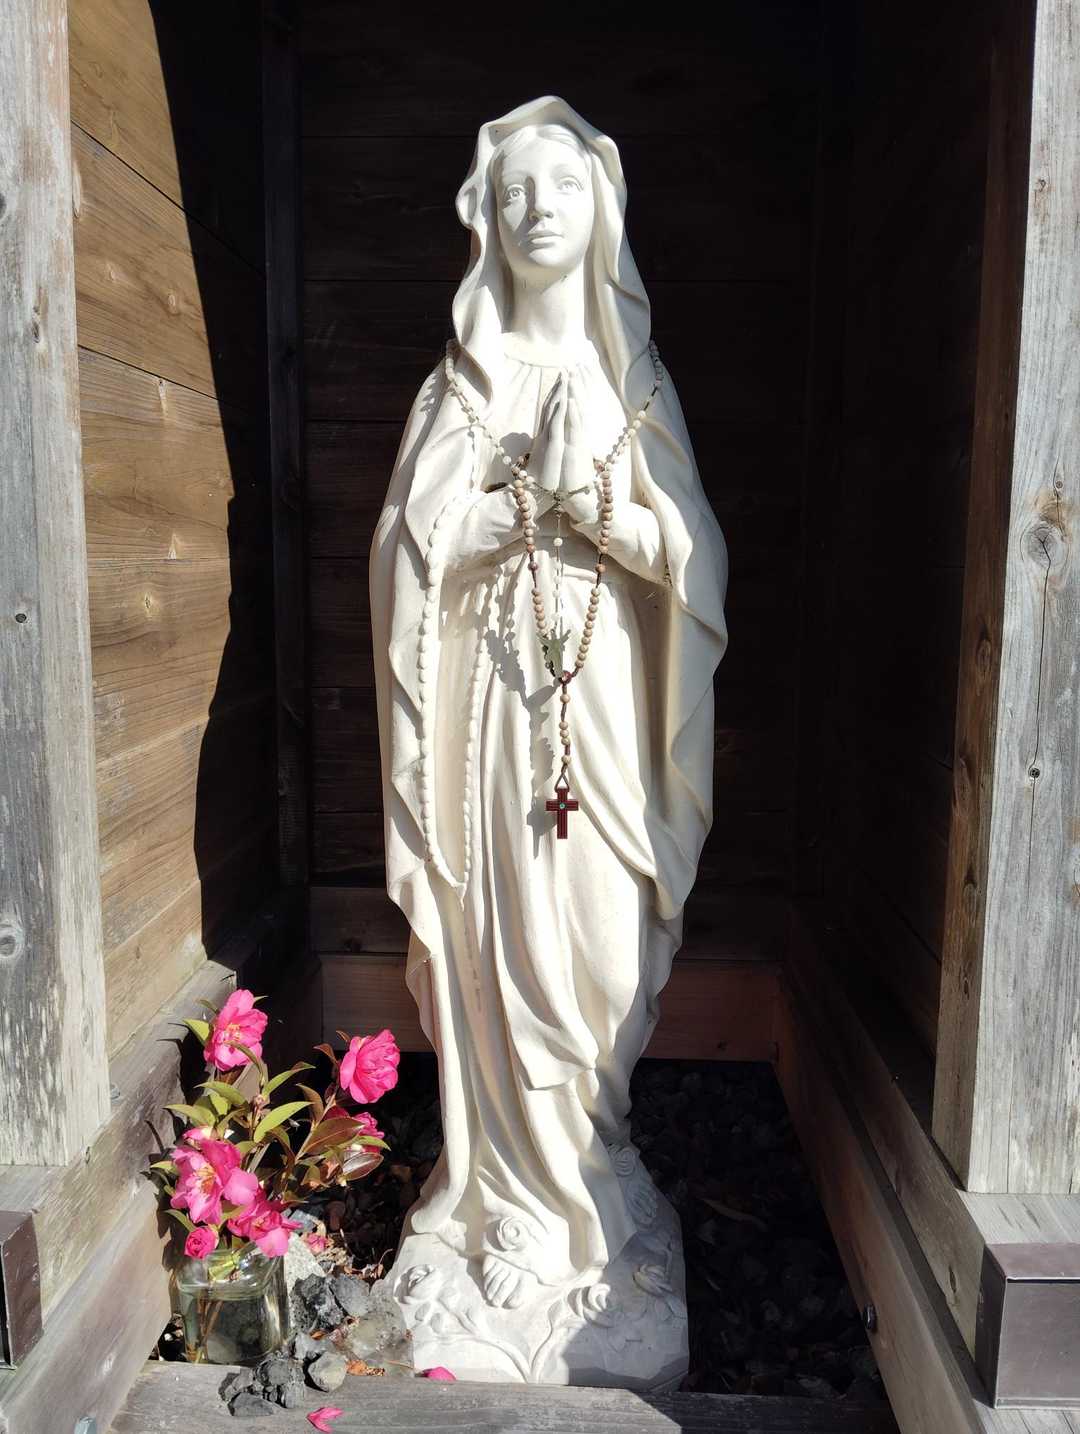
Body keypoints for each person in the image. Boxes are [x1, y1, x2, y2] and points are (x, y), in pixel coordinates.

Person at [370, 95, 728, 1378]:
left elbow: (696, 565)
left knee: (598, 953)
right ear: (486, 217)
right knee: (497, 937)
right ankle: (502, 1204)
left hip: (603, 715)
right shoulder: (457, 386)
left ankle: (593, 1170)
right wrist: (475, 532)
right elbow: (400, 554)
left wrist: (599, 516)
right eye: (514, 189)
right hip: (488, 719)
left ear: (601, 211)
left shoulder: (637, 384)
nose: (536, 209)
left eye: (561, 187)